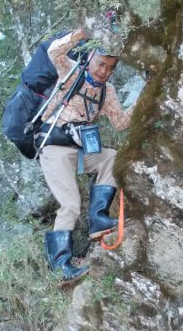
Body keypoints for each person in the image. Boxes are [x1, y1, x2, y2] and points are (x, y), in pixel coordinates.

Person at [36, 28, 135, 283]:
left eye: (110, 67)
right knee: (69, 204)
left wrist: (146, 97)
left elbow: (121, 123)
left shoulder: (107, 91)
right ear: (90, 57)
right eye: (101, 64)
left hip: (79, 151)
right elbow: (53, 51)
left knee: (111, 156)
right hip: (54, 147)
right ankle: (60, 265)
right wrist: (83, 32)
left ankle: (98, 220)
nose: (104, 71)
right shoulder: (70, 72)